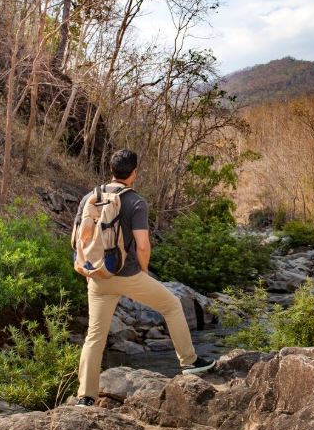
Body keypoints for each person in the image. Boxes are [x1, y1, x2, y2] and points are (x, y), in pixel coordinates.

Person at [74, 149, 216, 407]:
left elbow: (77, 240)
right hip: (128, 274)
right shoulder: (135, 201)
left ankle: (86, 396)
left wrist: (90, 271)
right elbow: (142, 244)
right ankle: (189, 362)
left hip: (97, 276)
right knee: (172, 305)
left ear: (111, 170)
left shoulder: (89, 198)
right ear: (134, 173)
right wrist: (143, 270)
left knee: (95, 335)